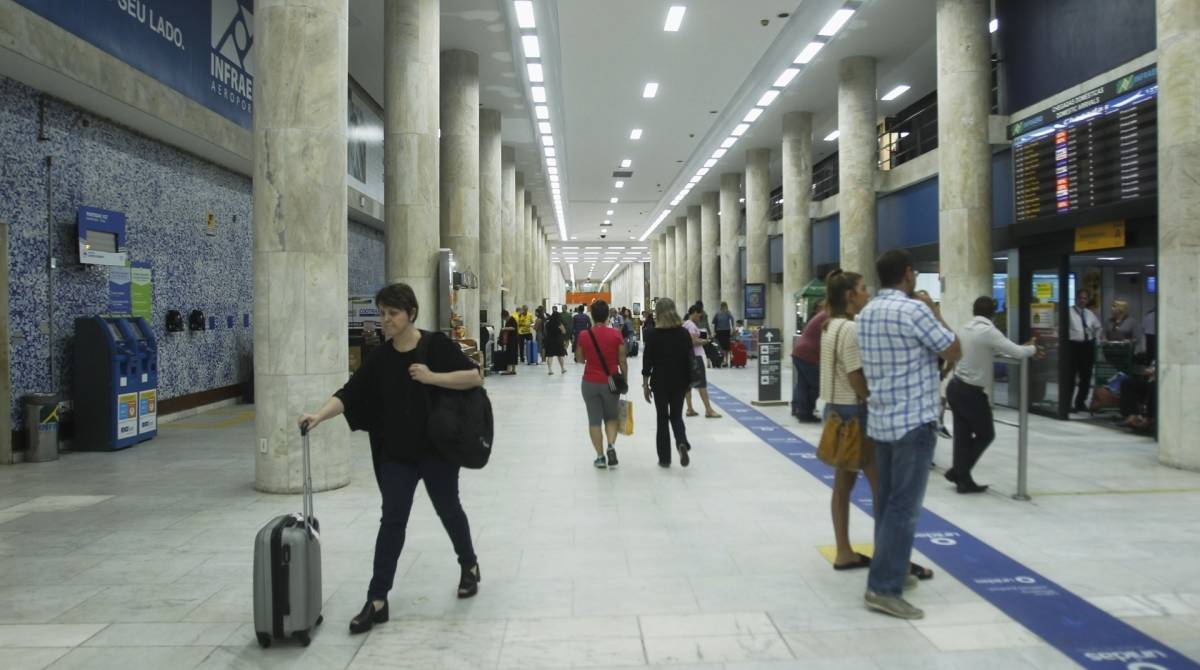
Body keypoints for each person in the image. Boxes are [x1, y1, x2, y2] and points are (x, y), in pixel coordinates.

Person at [297, 283, 483, 634]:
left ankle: (469, 565)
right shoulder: (380, 357)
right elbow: (350, 394)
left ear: (410, 313)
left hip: (436, 453)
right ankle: (377, 599)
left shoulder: (436, 346)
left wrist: (432, 377)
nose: (386, 320)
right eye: (382, 313)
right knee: (392, 522)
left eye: (392, 313)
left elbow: (474, 376)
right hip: (397, 455)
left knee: (449, 510)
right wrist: (318, 416)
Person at [857, 249, 961, 620]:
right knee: (904, 507)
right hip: (914, 422)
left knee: (887, 503)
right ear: (907, 274)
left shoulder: (866, 313)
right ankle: (883, 588)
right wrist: (934, 310)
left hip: (881, 421)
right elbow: (953, 348)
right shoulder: (915, 310)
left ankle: (895, 569)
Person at [944, 297, 1037, 494]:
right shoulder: (988, 331)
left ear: (973, 310)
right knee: (986, 434)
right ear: (993, 313)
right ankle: (959, 472)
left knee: (962, 437)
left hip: (956, 387)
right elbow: (1018, 352)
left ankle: (963, 479)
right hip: (971, 392)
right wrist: (1033, 348)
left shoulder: (965, 327)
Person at [641, 298, 694, 467]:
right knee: (677, 416)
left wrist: (645, 384)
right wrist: (688, 382)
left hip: (660, 382)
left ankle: (664, 458)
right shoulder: (683, 333)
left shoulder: (653, 334)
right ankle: (682, 442)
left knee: (662, 418)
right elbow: (689, 358)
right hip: (679, 381)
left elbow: (647, 362)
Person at [576, 300, 628, 468]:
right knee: (612, 417)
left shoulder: (584, 335)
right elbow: (622, 361)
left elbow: (579, 358)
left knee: (594, 421)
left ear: (592, 315)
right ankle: (611, 445)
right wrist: (624, 380)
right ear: (607, 315)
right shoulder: (616, 334)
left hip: (589, 382)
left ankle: (600, 457)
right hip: (611, 382)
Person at [792, 297, 829, 423]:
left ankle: (799, 410)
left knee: (803, 384)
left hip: (799, 351)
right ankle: (806, 412)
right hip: (808, 354)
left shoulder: (821, 315)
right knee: (817, 384)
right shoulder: (828, 316)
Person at [1066, 288, 1102, 413]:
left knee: (1086, 376)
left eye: (1085, 298)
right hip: (1073, 346)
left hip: (1087, 346)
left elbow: (1098, 327)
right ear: (1076, 298)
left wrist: (1096, 339)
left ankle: (1080, 402)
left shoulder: (1089, 313)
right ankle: (1067, 404)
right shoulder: (1068, 312)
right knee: (1070, 376)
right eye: (1080, 297)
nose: (1082, 300)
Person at [683, 305, 722, 419]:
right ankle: (708, 410)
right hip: (696, 357)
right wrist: (706, 341)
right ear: (695, 312)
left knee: (688, 384)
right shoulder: (690, 325)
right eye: (700, 315)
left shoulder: (685, 324)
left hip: (688, 357)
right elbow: (693, 341)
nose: (700, 317)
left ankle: (690, 408)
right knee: (702, 384)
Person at [543, 305, 568, 374]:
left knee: (550, 356)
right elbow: (564, 331)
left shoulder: (547, 324)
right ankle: (562, 369)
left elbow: (545, 332)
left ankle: (550, 370)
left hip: (550, 341)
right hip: (558, 341)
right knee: (560, 355)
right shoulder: (559, 324)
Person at [712, 301, 735, 367]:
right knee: (726, 347)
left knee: (721, 347)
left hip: (719, 332)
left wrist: (714, 331)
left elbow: (713, 322)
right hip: (726, 331)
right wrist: (732, 328)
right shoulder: (727, 313)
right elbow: (732, 319)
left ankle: (723, 361)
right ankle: (726, 361)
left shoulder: (717, 313)